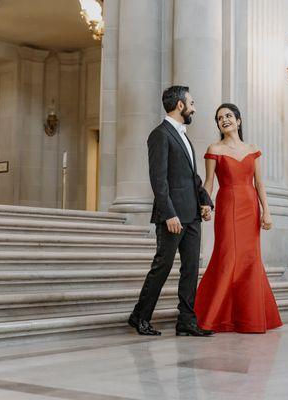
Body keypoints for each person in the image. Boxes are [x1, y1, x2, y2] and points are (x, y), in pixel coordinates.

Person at [128, 86, 214, 337]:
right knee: (162, 266)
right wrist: (169, 214)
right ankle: (140, 316)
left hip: (193, 215)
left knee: (190, 269)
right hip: (173, 217)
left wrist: (206, 201)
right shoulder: (160, 134)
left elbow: (192, 178)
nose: (194, 108)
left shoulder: (185, 137)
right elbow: (159, 180)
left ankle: (186, 321)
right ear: (180, 105)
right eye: (192, 103)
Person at [194, 103, 283, 333]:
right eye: (219, 118)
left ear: (239, 121)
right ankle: (214, 315)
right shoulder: (214, 148)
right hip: (227, 207)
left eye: (229, 116)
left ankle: (248, 318)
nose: (224, 120)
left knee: (250, 258)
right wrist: (205, 205)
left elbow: (259, 184)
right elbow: (209, 183)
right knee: (227, 257)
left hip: (250, 207)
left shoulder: (253, 149)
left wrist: (267, 211)